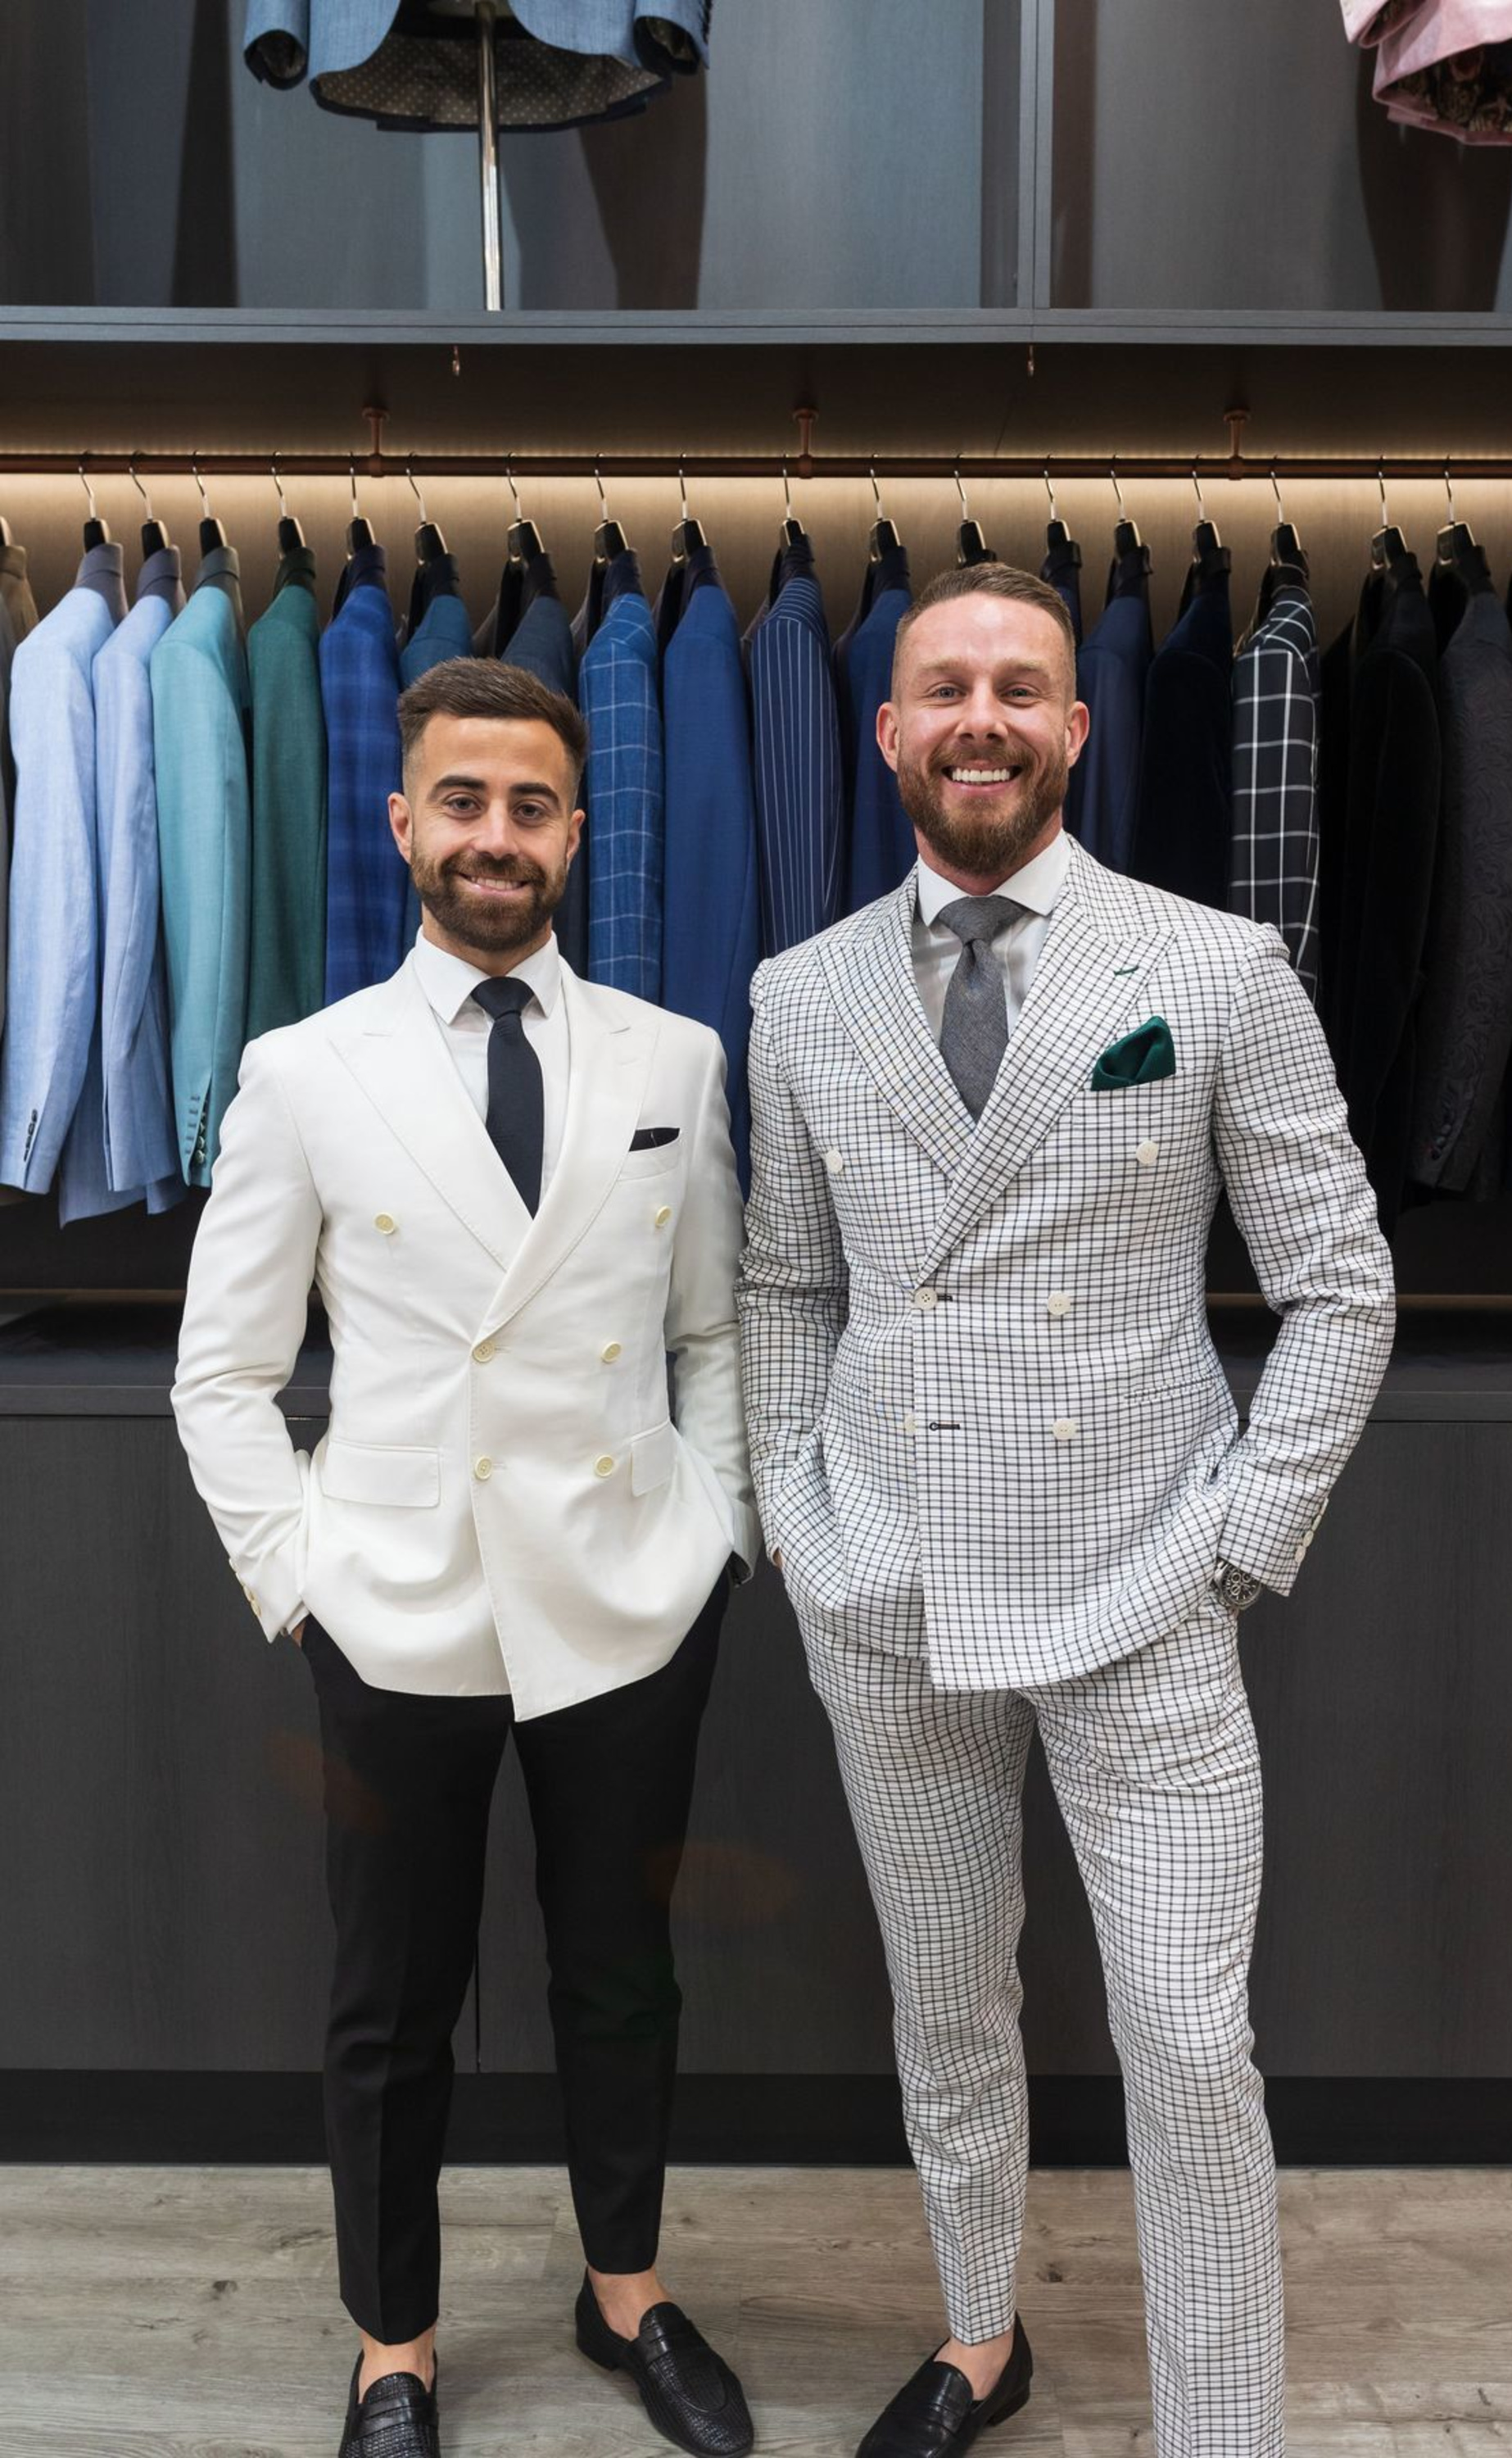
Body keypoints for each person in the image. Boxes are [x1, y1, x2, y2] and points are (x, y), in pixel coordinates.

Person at [736, 565, 1395, 2458]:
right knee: (947, 2019)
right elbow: (788, 1280)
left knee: (1189, 2051)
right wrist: (795, 1506)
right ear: (886, 732)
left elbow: (1338, 1285)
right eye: (945, 685)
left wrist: (1241, 1541)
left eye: (1020, 685)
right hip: (887, 1585)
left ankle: (1219, 2431)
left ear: (1076, 728)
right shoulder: (799, 994)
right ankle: (974, 2338)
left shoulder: (1206, 968)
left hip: (1145, 1583)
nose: (982, 718)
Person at [174, 657, 759, 2458]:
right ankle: (393, 2344)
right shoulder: (302, 1072)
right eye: (461, 800)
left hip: (626, 1596)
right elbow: (224, 1373)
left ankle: (627, 2291)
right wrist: (305, 1581)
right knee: (390, 2001)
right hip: (400, 1606)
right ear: (402, 818)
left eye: (528, 806)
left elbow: (714, 1336)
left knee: (622, 1970)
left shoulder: (675, 1057)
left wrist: (716, 1531)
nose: (493, 836)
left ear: (576, 833)